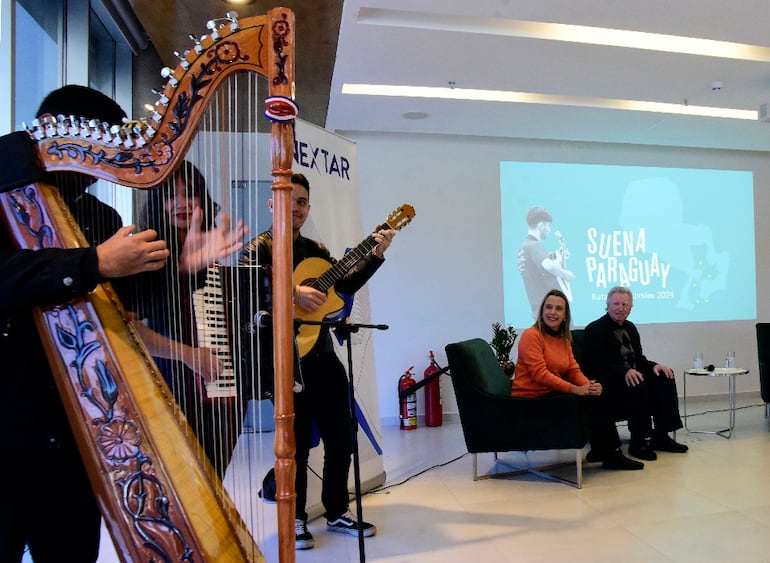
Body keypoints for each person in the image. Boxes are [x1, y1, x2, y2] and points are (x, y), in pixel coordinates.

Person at [0, 85, 170, 562]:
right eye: (93, 156)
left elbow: (123, 308)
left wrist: (187, 263)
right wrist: (93, 262)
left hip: (79, 427)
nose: (95, 176)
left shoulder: (98, 214)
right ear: (55, 130)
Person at [239, 172, 395, 550]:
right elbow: (243, 293)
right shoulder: (256, 250)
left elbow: (341, 287)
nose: (298, 207)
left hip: (322, 353)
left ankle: (337, 509)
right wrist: (291, 293)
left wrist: (374, 256)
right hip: (286, 360)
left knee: (342, 435)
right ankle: (293, 517)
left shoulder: (316, 249)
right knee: (296, 443)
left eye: (304, 201)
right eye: (291, 199)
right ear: (272, 203)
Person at [136, 161, 248, 477]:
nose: (183, 203)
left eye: (191, 194)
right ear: (158, 201)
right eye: (172, 195)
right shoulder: (144, 252)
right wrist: (188, 355)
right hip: (169, 385)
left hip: (219, 387)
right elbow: (128, 326)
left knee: (212, 478)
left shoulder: (213, 252)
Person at [512, 289, 643, 470]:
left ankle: (602, 450)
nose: (553, 312)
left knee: (598, 392)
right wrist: (575, 389)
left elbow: (573, 369)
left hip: (550, 392)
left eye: (559, 309)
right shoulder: (531, 335)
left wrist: (587, 385)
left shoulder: (563, 338)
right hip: (531, 399)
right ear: (541, 311)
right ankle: (611, 453)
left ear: (565, 315)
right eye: (548, 307)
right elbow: (540, 374)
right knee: (592, 401)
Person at [581, 286, 688, 461]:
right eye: (616, 303)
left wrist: (655, 365)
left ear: (630, 308)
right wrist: (624, 371)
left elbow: (638, 359)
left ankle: (661, 436)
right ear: (607, 305)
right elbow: (592, 364)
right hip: (609, 380)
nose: (620, 308)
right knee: (637, 381)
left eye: (625, 304)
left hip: (631, 376)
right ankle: (639, 441)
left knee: (664, 377)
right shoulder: (595, 329)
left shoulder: (630, 328)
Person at [517, 205, 574, 319]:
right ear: (541, 225)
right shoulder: (533, 245)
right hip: (550, 312)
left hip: (541, 309)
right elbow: (548, 266)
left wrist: (558, 256)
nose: (549, 229)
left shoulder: (524, 247)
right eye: (548, 225)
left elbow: (540, 269)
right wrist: (565, 274)